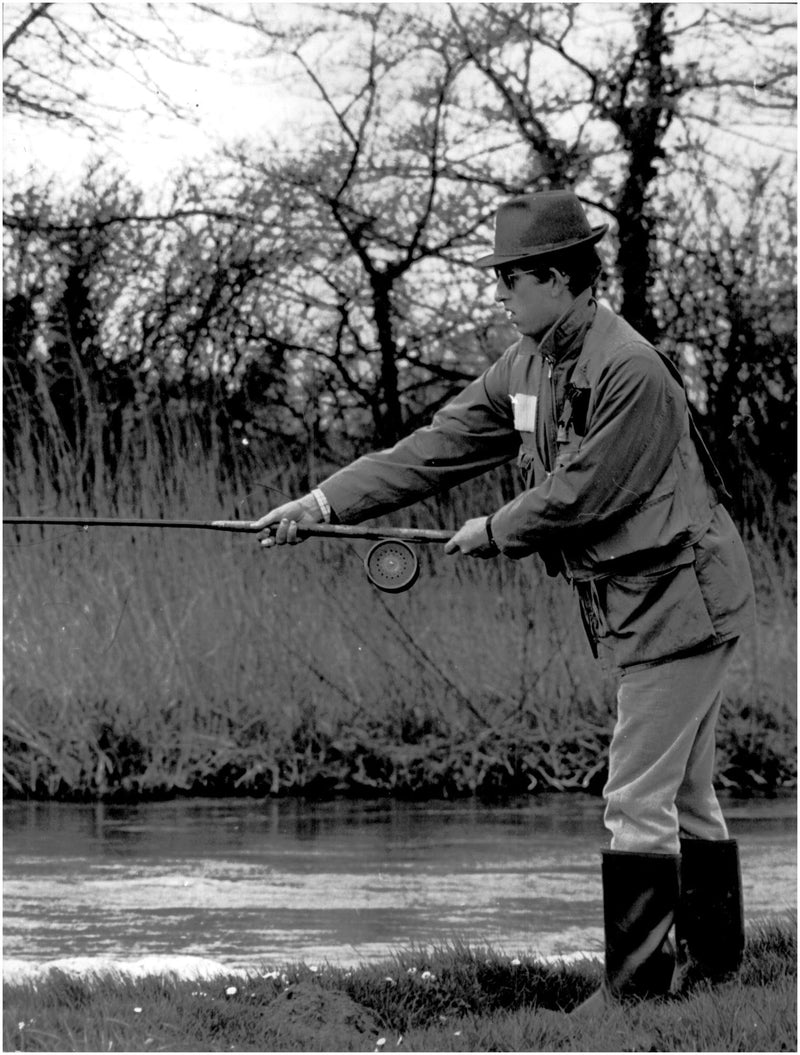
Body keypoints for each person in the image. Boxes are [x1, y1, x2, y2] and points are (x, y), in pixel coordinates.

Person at [253, 189, 756, 1010]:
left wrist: (494, 528)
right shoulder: (528, 363)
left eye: (511, 278)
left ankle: (637, 993)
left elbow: (590, 491)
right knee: (686, 791)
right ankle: (716, 973)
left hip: (681, 602)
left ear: (561, 279)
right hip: (649, 600)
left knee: (635, 794)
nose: (499, 293)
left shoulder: (631, 368)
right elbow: (437, 448)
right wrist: (320, 505)